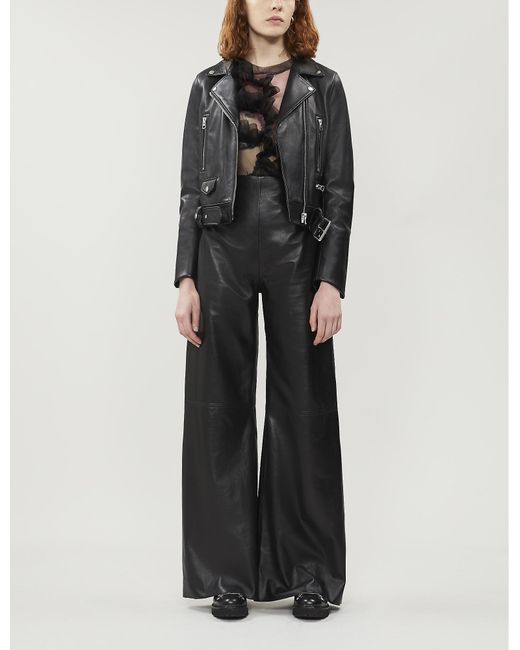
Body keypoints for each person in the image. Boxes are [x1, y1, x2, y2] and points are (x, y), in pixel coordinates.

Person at [173, 0, 354, 620]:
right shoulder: (208, 86)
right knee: (218, 406)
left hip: (297, 246)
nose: (277, 3)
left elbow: (339, 189)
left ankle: (309, 572)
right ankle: (227, 573)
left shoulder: (323, 86)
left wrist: (331, 280)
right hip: (220, 245)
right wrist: (186, 277)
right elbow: (191, 189)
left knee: (303, 404)